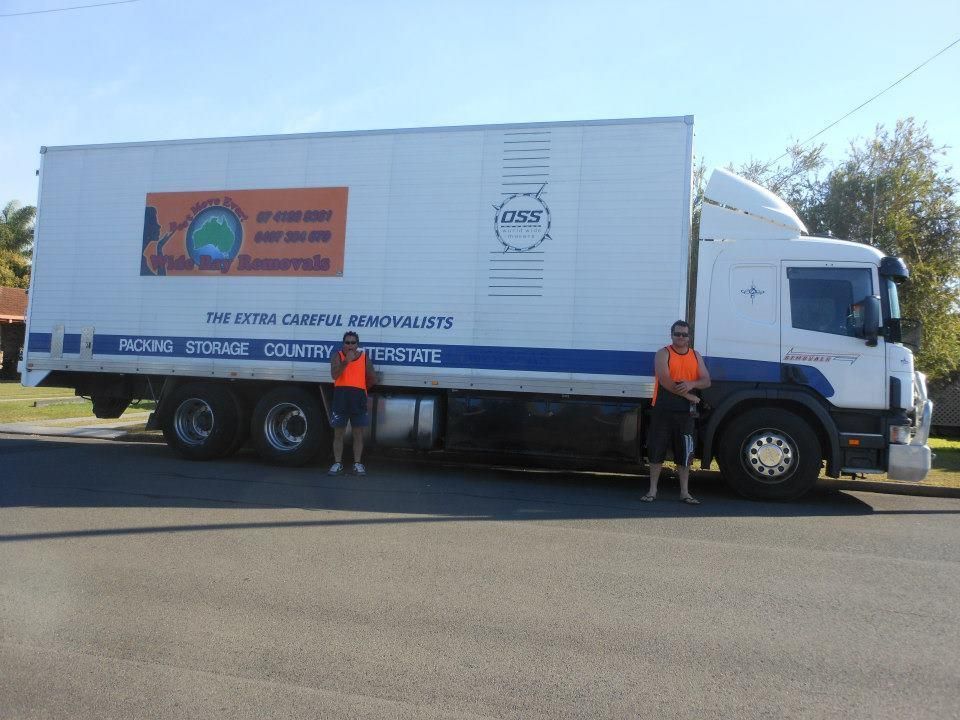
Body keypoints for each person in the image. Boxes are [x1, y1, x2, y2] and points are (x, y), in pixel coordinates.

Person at [642, 320, 711, 504]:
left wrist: (692, 383)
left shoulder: (696, 356)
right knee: (656, 450)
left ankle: (685, 492)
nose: (680, 337)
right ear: (671, 335)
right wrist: (690, 396)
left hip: (685, 414)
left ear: (689, 337)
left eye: (684, 334)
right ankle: (652, 491)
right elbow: (665, 380)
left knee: (685, 453)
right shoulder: (663, 354)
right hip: (663, 410)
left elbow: (706, 381)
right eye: (677, 334)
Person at [328, 331, 377, 476]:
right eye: (347, 342)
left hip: (358, 400)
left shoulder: (364, 358)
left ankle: (357, 464)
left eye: (353, 342)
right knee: (338, 433)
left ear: (357, 344)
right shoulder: (337, 356)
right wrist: (346, 362)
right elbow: (334, 375)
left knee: (358, 434)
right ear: (343, 344)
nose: (350, 345)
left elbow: (373, 378)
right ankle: (337, 463)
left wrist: (362, 389)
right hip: (341, 399)